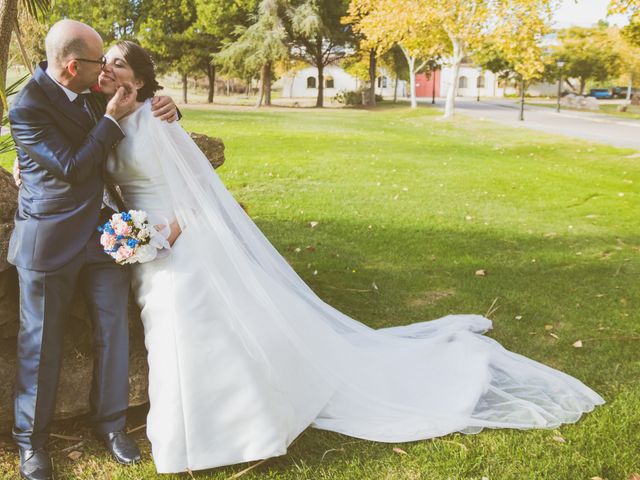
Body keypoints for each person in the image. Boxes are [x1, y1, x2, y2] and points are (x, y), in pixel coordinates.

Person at [101, 41, 604, 474]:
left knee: (184, 311)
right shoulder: (103, 118)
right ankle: (210, 428)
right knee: (171, 317)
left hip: (184, 236)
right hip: (145, 242)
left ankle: (223, 433)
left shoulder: (158, 119)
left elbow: (197, 194)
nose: (111, 68)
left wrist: (167, 229)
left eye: (122, 63)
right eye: (106, 62)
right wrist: (135, 233)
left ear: (143, 79)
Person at [7, 20, 178, 480]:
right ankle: (31, 443)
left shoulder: (93, 92)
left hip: (107, 234)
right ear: (71, 65)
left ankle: (112, 424)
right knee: (40, 344)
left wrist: (168, 104)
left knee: (114, 330)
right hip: (50, 238)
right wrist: (108, 121)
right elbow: (70, 168)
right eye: (98, 61)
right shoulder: (26, 106)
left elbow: (140, 106)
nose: (105, 68)